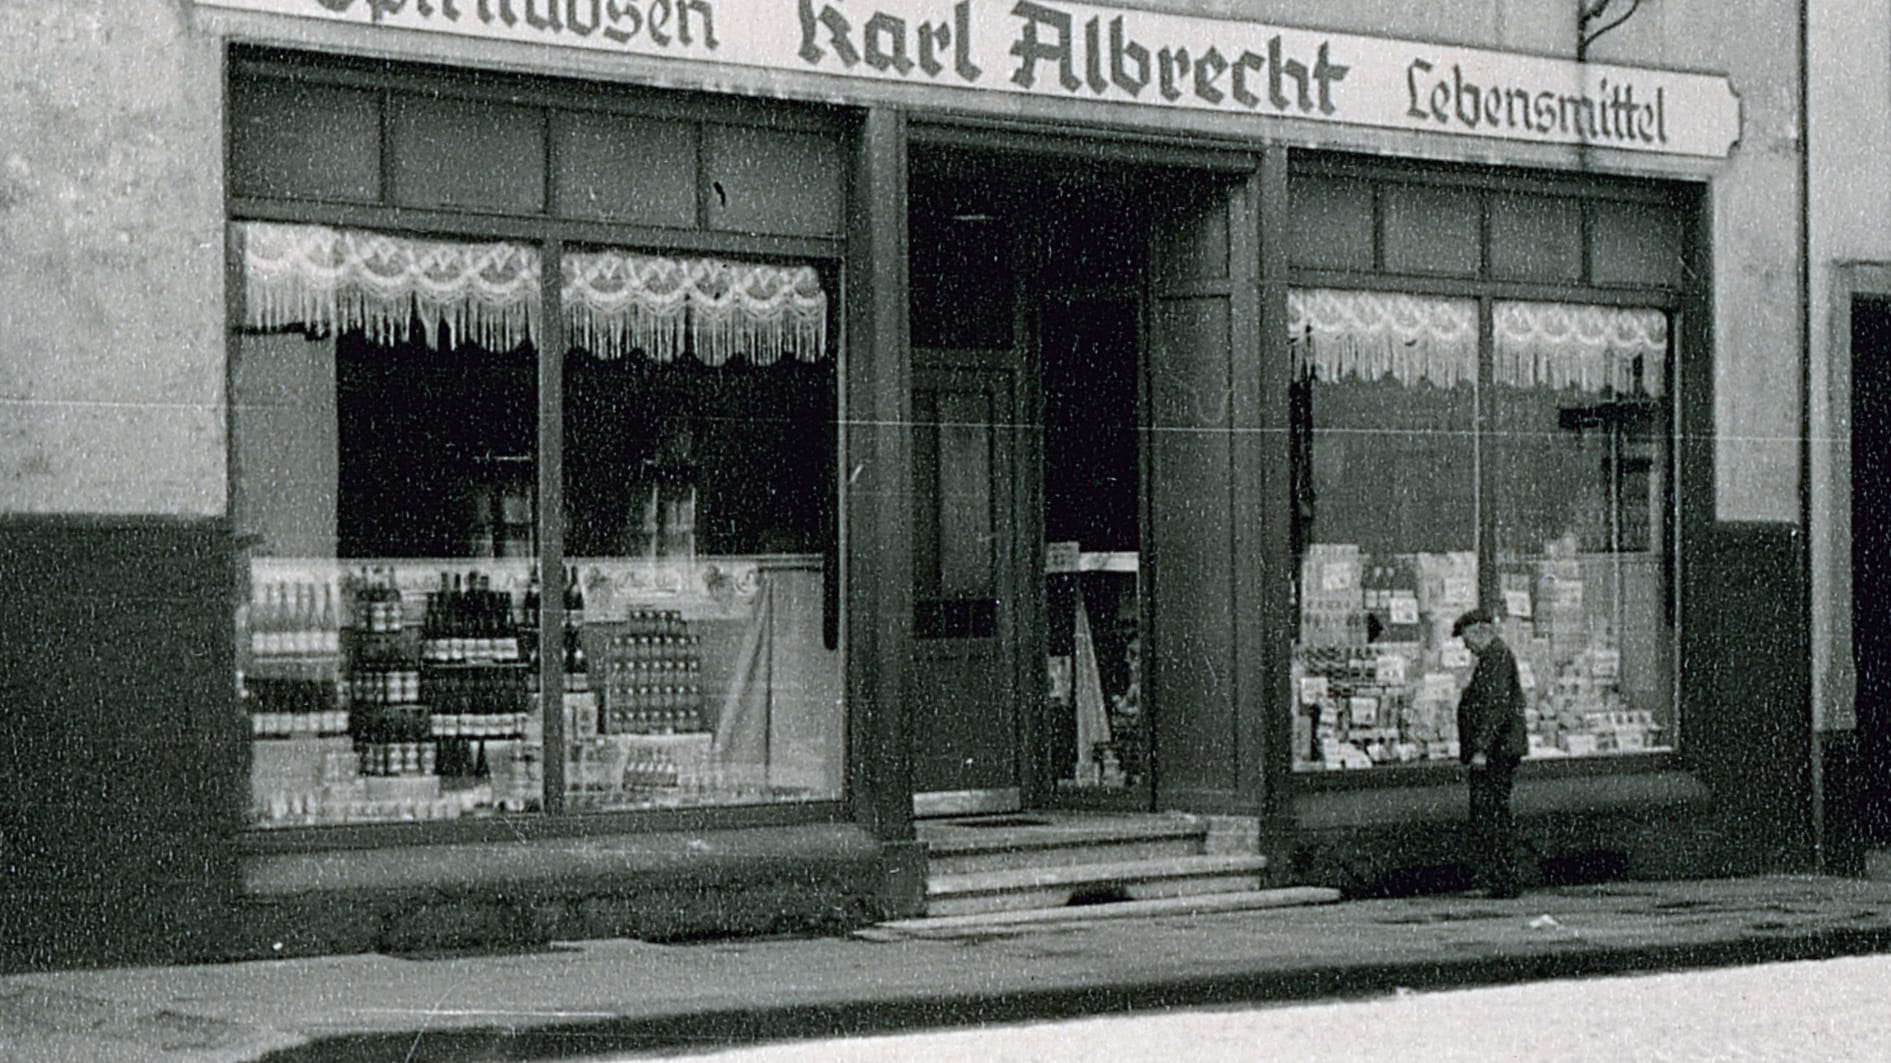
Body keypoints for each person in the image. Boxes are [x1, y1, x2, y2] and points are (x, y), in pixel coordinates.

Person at [1453, 607, 1530, 899]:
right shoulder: (1493, 656)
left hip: (1496, 753)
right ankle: (1499, 878)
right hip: (1497, 750)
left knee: (1492, 814)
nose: (1466, 646)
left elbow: (1495, 706)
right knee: (1491, 813)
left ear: (1479, 632)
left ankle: (1503, 880)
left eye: (1466, 639)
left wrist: (1482, 749)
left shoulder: (1496, 657)